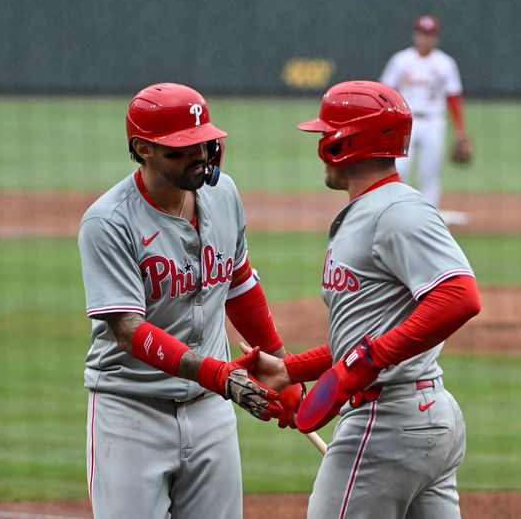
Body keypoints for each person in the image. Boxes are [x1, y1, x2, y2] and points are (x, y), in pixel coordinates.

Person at [244, 80, 481, 518]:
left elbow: (460, 296)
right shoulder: (376, 210)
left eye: (324, 133)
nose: (319, 141)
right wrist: (290, 369)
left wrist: (366, 362)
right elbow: (368, 333)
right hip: (423, 416)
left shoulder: (397, 211)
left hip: (386, 421)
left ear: (345, 142)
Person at [77, 82, 303, 518]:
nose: (199, 157)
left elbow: (240, 286)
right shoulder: (108, 222)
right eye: (179, 150)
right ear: (142, 148)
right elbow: (127, 330)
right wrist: (219, 375)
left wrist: (284, 367)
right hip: (131, 412)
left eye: (203, 143)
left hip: (210, 412)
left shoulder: (223, 194)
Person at [380, 15, 473, 223]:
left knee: (429, 173)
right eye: (422, 34)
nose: (425, 39)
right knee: (398, 169)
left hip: (434, 122)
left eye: (429, 35)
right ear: (415, 35)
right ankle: (393, 213)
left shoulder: (445, 63)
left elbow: (454, 97)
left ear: (435, 38)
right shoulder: (400, 60)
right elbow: (385, 92)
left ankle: (428, 220)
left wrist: (460, 130)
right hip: (405, 123)